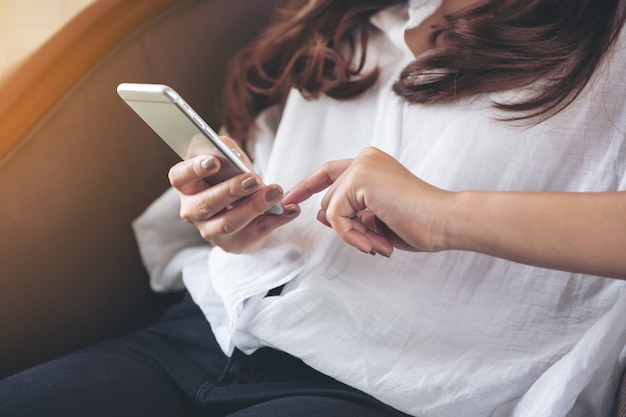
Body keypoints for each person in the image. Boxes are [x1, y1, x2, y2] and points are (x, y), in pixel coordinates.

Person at [1, 0, 626, 416]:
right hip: (209, 331)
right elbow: (263, 206)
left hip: (395, 386)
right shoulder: (343, 20)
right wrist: (229, 223)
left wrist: (443, 213)